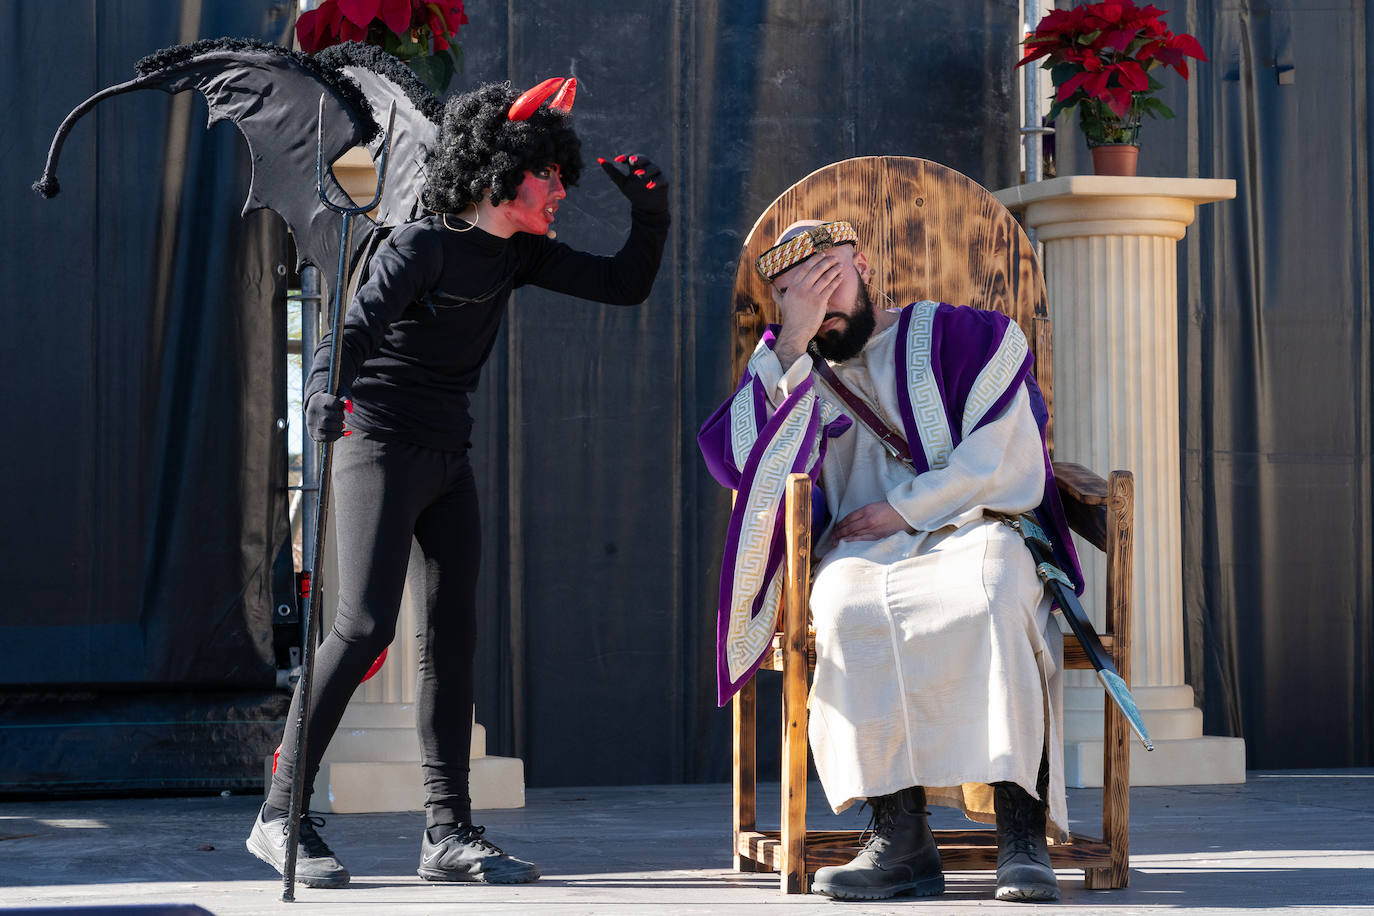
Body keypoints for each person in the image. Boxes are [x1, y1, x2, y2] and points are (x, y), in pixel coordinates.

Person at [247, 79, 670, 888]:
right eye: (547, 172)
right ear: (496, 172)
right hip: (376, 442)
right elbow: (351, 328)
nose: (560, 188)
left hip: (447, 455)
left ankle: (448, 834)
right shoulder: (420, 246)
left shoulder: (515, 253)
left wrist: (648, 212)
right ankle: (279, 814)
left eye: (560, 171)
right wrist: (321, 395)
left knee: (453, 638)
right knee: (364, 624)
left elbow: (625, 284)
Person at [698, 219, 1081, 902]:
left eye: (830, 280)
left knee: (993, 589)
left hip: (973, 526)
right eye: (796, 293)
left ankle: (1020, 835)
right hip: (861, 552)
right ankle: (900, 837)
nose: (822, 304)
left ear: (866, 266)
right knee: (845, 606)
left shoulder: (961, 337)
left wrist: (909, 506)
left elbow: (1008, 450)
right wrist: (789, 340)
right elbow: (737, 464)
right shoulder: (792, 372)